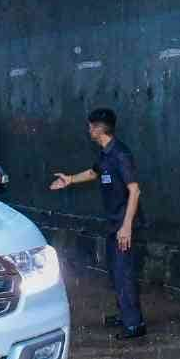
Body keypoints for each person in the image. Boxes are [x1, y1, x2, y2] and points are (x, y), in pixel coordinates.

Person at [50, 108, 146, 340]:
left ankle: (134, 324)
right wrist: (70, 179)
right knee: (115, 271)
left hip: (124, 224)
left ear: (98, 128)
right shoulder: (105, 154)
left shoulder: (120, 154)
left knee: (123, 273)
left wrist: (127, 226)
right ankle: (126, 314)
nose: (88, 129)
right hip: (114, 223)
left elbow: (135, 190)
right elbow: (94, 173)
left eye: (90, 125)